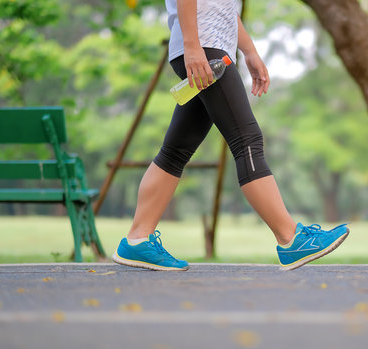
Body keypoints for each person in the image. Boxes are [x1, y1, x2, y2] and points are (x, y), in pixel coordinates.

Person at [112, 0, 349, 271]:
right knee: (246, 140)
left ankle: (137, 240)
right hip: (203, 48)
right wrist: (192, 46)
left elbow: (223, 7)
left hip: (209, 47)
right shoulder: (197, 45)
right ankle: (290, 238)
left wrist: (249, 51)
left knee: (176, 150)